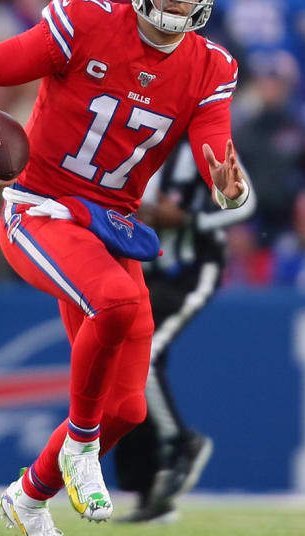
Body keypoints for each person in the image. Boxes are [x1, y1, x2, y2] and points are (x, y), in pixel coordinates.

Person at [0, 0, 249, 533]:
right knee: (115, 301)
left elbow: (214, 146)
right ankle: (80, 446)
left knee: (129, 409)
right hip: (43, 209)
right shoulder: (84, 20)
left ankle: (27, 499)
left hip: (112, 228)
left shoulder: (210, 66)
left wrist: (227, 186)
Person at [114, 141, 255, 523]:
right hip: (147, 268)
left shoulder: (198, 144)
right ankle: (148, 491)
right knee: (121, 368)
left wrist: (189, 218)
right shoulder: (135, 135)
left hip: (192, 268)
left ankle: (181, 445)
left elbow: (246, 202)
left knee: (143, 361)